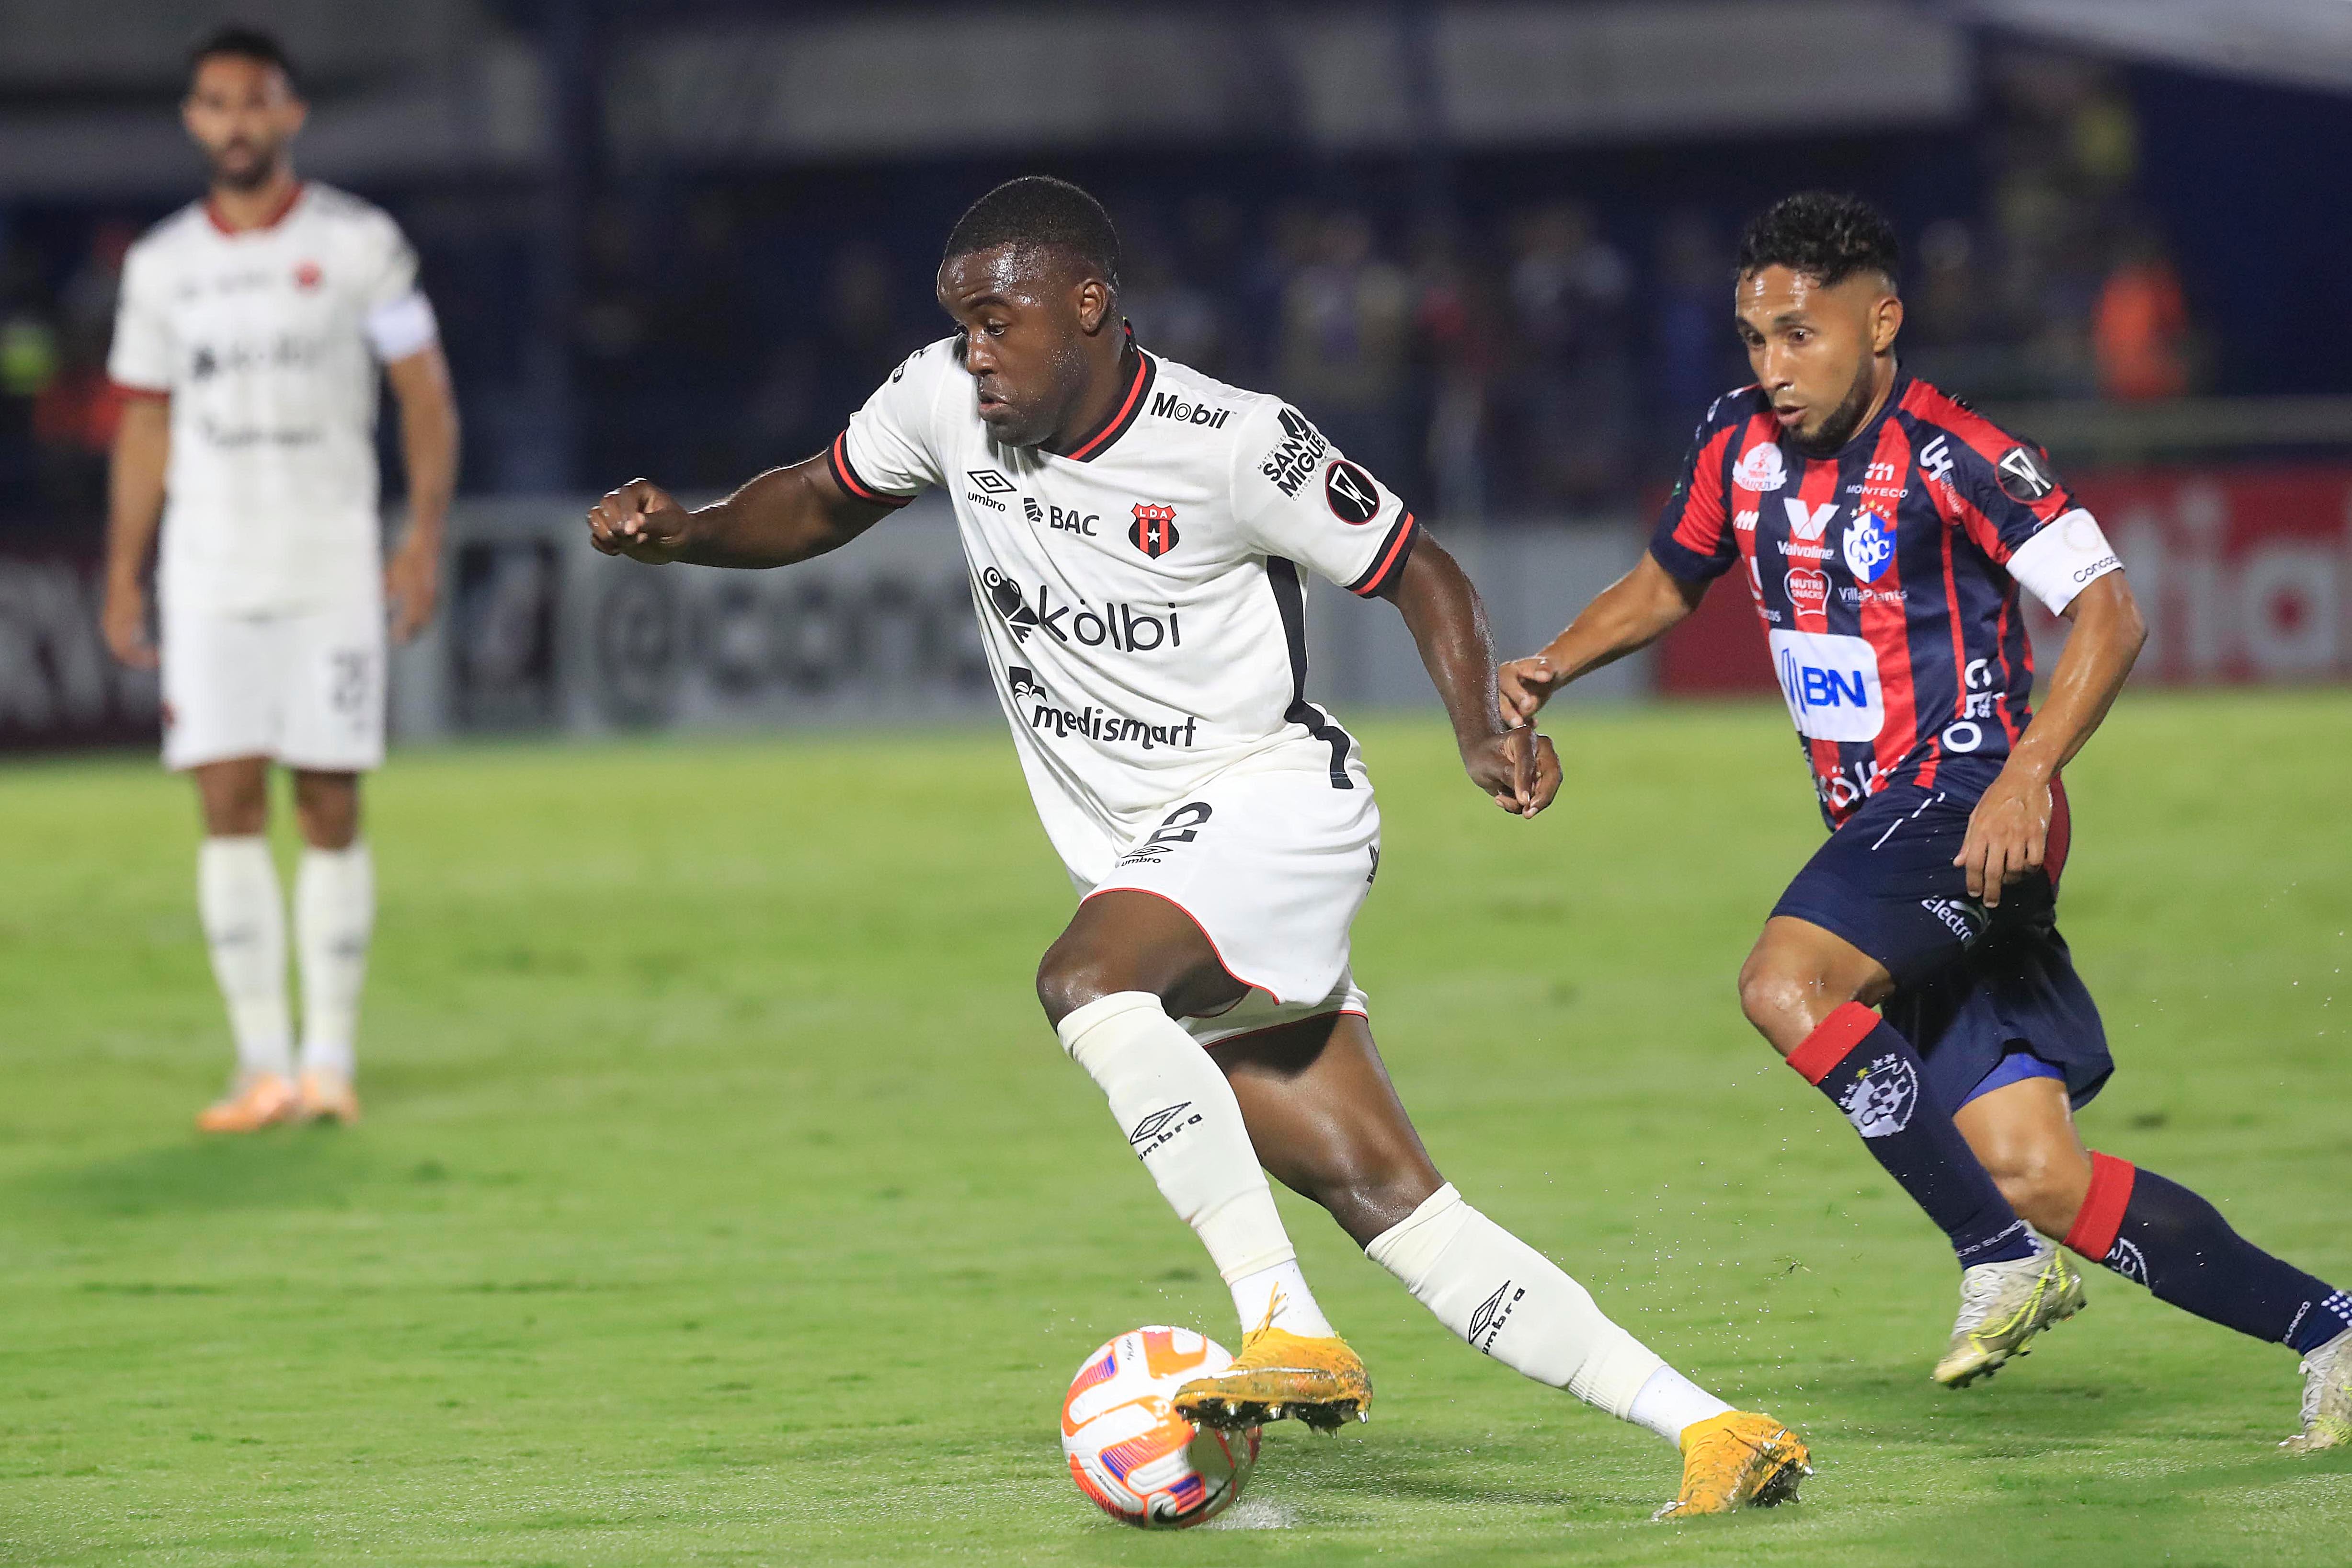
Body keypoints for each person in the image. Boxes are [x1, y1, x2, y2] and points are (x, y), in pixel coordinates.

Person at [586, 176, 1810, 1516]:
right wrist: (691, 535)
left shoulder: (1233, 444)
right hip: (1160, 863)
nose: (972, 349)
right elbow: (820, 498)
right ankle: (1710, 1428)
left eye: (996, 320)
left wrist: (1476, 728)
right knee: (1388, 1196)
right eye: (959, 323)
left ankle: (1280, 1322)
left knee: (1085, 982)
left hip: (1270, 809)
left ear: (1087, 305)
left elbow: (1418, 569)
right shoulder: (941, 397)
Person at [1500, 191, 2352, 1453]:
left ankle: (1991, 1261)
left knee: (1780, 983)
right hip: (1893, 833)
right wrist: (1545, 667)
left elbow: (2107, 611)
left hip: (1962, 803)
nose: (1771, 368)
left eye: (1798, 334)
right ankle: (2325, 1326)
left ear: (1878, 320)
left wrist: (2027, 770)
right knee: (2037, 1170)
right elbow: (1667, 578)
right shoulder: (1733, 443)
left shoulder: (1954, 449)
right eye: (1752, 338)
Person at [100, 28, 459, 1132]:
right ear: (194, 121)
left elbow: (425, 396)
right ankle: (260, 1060)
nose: (237, 122)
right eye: (216, 104)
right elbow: (146, 425)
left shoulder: (359, 244)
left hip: (328, 562)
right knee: (224, 801)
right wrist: (126, 569)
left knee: (330, 800)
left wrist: (421, 537)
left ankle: (329, 1060)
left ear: (290, 113)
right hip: (208, 572)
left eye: (255, 101)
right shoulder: (161, 267)